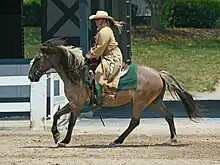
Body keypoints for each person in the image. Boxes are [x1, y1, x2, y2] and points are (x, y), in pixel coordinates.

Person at [86, 10, 124, 101]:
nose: (96, 21)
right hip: (105, 55)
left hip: (111, 57)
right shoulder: (101, 30)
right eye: (95, 19)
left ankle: (106, 94)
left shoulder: (104, 31)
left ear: (103, 20)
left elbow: (100, 48)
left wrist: (91, 55)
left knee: (98, 73)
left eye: (98, 19)